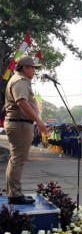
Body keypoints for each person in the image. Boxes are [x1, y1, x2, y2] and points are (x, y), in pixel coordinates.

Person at [4, 55, 46, 205]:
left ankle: (13, 193)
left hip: (19, 123)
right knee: (17, 160)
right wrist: (39, 121)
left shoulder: (19, 80)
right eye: (33, 68)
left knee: (15, 159)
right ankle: (14, 195)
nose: (35, 71)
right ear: (25, 68)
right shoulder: (20, 81)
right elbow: (22, 102)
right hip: (20, 123)